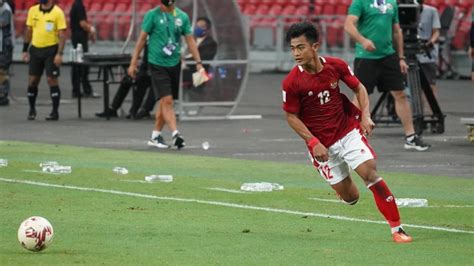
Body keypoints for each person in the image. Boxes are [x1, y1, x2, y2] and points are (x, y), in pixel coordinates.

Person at [282, 22, 412, 243]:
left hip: (347, 130)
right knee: (351, 198)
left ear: (315, 46)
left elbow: (359, 87)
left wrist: (365, 115)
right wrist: (313, 142)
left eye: (301, 47)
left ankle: (397, 229)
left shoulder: (336, 66)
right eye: (293, 48)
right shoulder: (292, 82)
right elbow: (291, 116)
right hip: (322, 145)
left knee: (370, 173)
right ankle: (343, 187)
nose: (296, 53)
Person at [344, 0, 430, 151]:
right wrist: (363, 40)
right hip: (366, 57)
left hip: (388, 56)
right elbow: (348, 25)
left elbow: (397, 31)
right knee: (360, 96)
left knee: (400, 94)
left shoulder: (392, 3)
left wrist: (401, 58)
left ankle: (410, 137)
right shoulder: (360, 2)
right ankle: (350, 137)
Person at [128, 0, 204, 149]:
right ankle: (176, 134)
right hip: (157, 63)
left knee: (165, 102)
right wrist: (133, 62)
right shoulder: (152, 15)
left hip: (174, 63)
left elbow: (190, 40)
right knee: (167, 100)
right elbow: (142, 39)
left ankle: (155, 135)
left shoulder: (182, 17)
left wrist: (198, 62)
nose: (163, 5)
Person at [22, 0, 67, 121]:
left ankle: (54, 111)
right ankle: (32, 109)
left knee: (51, 79)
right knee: (33, 81)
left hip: (51, 49)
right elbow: (29, 30)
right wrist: (25, 50)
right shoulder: (33, 10)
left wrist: (59, 53)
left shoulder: (58, 13)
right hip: (36, 49)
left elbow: (62, 35)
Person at [95, 44, 151, 119]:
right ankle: (113, 108)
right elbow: (145, 62)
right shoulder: (148, 42)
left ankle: (138, 110)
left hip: (159, 72)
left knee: (143, 81)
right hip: (146, 70)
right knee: (127, 79)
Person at [182, 16, 217, 101]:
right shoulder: (192, 40)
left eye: (202, 26)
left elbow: (203, 58)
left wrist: (185, 61)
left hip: (200, 73)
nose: (198, 28)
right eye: (197, 26)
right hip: (187, 70)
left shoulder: (210, 43)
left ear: (207, 29)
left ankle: (189, 101)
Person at [70, 0, 99, 98]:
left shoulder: (76, 4)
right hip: (79, 37)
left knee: (77, 64)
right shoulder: (79, 5)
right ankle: (85, 90)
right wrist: (92, 30)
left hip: (76, 36)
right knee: (82, 64)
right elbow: (82, 23)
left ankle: (77, 90)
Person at [416, 0, 441, 111]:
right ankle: (418, 110)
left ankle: (433, 111)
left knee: (430, 84)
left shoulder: (431, 11)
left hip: (427, 53)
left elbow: (436, 31)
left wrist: (430, 42)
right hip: (410, 52)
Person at [0, 0, 14, 106]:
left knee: (2, 70)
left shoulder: (6, 9)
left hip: (5, 45)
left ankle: (3, 95)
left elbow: (2, 23)